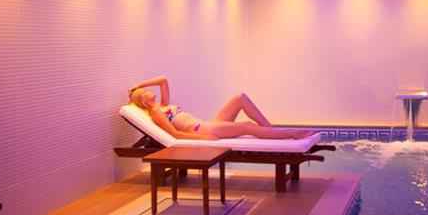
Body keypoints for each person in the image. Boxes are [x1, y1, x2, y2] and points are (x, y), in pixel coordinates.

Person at [128, 76, 314, 140]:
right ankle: (292, 134)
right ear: (143, 101)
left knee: (240, 98)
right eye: (145, 94)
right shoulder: (156, 113)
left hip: (208, 124)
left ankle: (269, 129)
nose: (149, 92)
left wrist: (139, 84)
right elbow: (175, 135)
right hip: (203, 130)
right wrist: (204, 139)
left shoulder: (164, 105)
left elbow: (163, 80)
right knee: (247, 126)